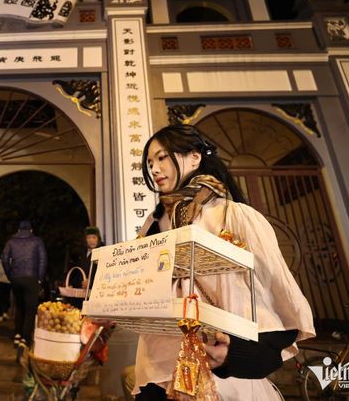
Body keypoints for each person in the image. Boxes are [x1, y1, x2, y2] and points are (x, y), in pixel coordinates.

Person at [131, 124, 315, 400]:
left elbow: (278, 294)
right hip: (157, 374)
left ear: (194, 157)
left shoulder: (235, 216)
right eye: (150, 162)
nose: (154, 169)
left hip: (222, 379)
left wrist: (235, 355)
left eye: (162, 157)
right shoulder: (152, 226)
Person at [1, 220, 47, 346]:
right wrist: (40, 279)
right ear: (31, 230)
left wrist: (10, 275)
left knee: (19, 307)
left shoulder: (11, 241)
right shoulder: (37, 241)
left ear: (18, 230)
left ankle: (17, 333)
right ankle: (25, 338)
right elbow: (43, 261)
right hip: (32, 278)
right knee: (30, 309)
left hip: (16, 278)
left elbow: (4, 259)